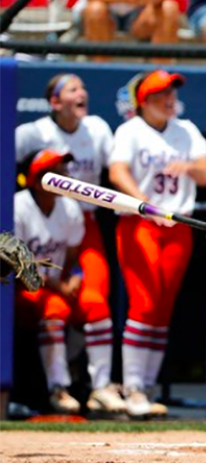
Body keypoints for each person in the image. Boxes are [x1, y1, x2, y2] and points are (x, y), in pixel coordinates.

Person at [109, 70, 206, 418]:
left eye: (171, 92)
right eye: (161, 94)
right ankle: (134, 387)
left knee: (161, 307)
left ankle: (147, 386)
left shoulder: (186, 130)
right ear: (144, 101)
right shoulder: (129, 130)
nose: (169, 99)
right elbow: (116, 173)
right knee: (143, 302)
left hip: (177, 224)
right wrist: (144, 203)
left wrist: (188, 166)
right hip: (139, 221)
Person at [15, 149, 126, 415]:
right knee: (55, 307)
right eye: (56, 172)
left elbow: (74, 256)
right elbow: (18, 264)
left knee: (95, 305)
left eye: (63, 171)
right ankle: (58, 388)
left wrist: (76, 276)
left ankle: (101, 388)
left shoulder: (69, 207)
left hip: (56, 282)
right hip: (23, 288)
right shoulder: (18, 206)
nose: (65, 177)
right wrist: (58, 285)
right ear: (37, 177)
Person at [15, 74, 115, 360]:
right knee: (50, 302)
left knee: (94, 299)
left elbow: (118, 166)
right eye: (72, 89)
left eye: (84, 87)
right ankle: (57, 379)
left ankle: (91, 381)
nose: (82, 93)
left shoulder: (97, 128)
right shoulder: (32, 133)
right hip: (41, 215)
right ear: (55, 101)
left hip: (85, 218)